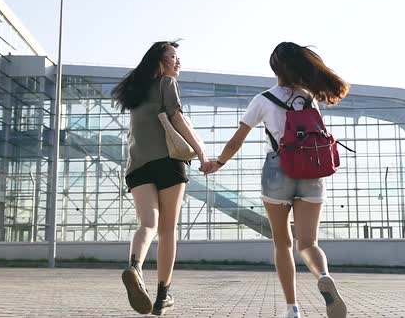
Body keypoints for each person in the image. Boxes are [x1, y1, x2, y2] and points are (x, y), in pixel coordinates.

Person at [200, 42, 349, 318]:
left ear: (275, 69)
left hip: (278, 171)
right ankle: (323, 276)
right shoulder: (310, 98)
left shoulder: (263, 100)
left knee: (283, 243)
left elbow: (237, 139)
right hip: (312, 170)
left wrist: (218, 162)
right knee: (309, 243)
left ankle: (292, 308)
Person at [113, 40, 207, 316]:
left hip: (137, 167)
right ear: (160, 61)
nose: (179, 63)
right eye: (174, 57)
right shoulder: (167, 83)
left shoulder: (135, 92)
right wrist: (201, 153)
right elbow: (177, 118)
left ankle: (135, 267)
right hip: (168, 163)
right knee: (167, 231)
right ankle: (163, 295)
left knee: (147, 225)